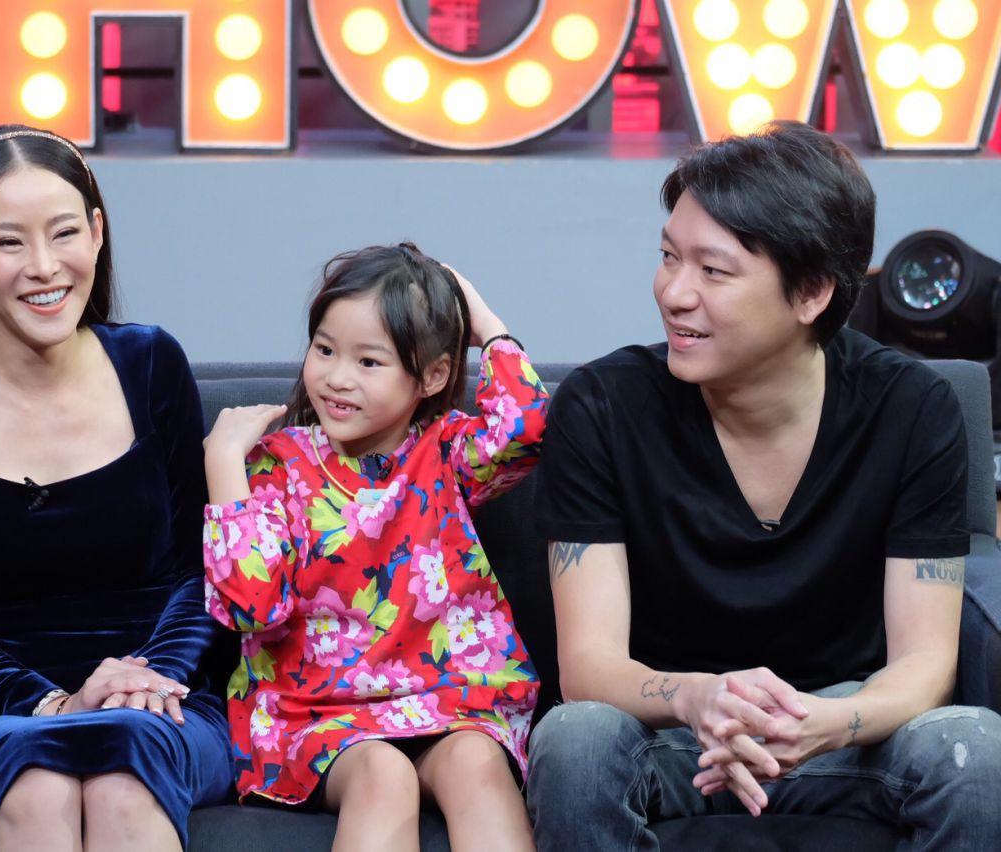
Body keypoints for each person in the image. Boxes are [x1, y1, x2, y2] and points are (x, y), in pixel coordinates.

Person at [526, 120, 1001, 849]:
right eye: (668, 257)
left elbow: (925, 665)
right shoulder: (602, 406)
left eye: (713, 271)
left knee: (973, 749)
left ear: (810, 293)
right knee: (577, 739)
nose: (674, 292)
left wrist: (828, 722)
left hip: (845, 728)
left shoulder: (911, 408)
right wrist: (696, 695)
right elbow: (589, 667)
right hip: (675, 731)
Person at [0, 125, 231, 850]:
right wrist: (51, 703)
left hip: (160, 696)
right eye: (9, 243)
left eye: (64, 233)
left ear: (96, 233)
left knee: (127, 770)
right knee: (40, 777)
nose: (43, 267)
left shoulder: (152, 362)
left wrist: (141, 685)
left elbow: (200, 572)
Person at [202, 243, 547, 851]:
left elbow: (526, 427)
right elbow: (251, 607)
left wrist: (482, 321)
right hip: (317, 711)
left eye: (368, 361)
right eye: (324, 350)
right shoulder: (278, 463)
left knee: (477, 764)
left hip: (449, 698)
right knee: (384, 774)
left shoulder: (446, 450)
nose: (338, 378)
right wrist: (225, 462)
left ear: (432, 376)